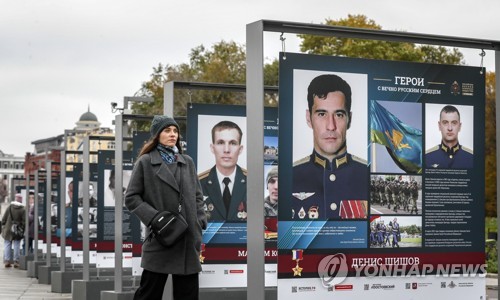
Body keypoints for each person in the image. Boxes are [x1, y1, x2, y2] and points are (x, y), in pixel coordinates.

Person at [125, 115, 207, 300]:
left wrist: (200, 220)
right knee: (149, 294)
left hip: (187, 238)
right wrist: (155, 218)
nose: (173, 135)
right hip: (161, 237)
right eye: (167, 130)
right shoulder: (145, 162)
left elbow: (197, 195)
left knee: (188, 295)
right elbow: (131, 198)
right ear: (157, 135)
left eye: (175, 131)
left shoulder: (187, 162)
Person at [292, 74, 368, 220]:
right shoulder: (290, 177)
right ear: (309, 118)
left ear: (349, 119)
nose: (331, 126)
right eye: (322, 114)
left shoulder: (368, 175)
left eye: (339, 115)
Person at [198, 120, 247, 221]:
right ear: (212, 148)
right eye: (220, 143)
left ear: (240, 149)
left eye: (233, 143)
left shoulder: (253, 183)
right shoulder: (198, 184)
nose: (226, 150)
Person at [2, 193, 26, 268]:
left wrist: (3, 224)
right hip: (17, 230)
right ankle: (16, 261)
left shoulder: (9, 207)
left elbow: (4, 218)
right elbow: (24, 221)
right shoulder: (23, 209)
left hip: (8, 229)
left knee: (7, 244)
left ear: (15, 199)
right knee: (16, 245)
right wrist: (22, 228)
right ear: (21, 200)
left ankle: (7, 261)